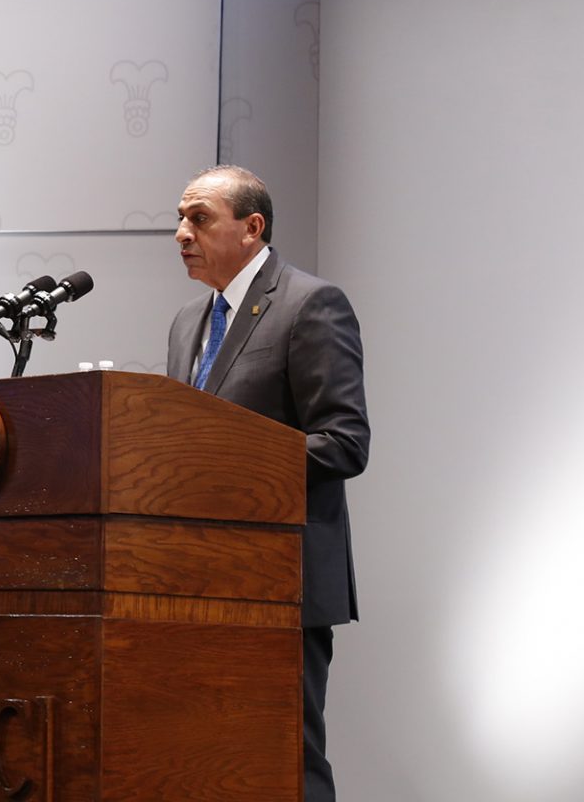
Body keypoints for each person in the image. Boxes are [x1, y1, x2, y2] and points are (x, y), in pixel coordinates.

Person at [165, 166, 369, 802]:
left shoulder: (311, 304)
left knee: (288, 762)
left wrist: (224, 461)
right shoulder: (187, 322)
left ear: (252, 227)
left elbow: (345, 442)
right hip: (198, 580)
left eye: (199, 218)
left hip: (282, 580)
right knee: (213, 761)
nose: (182, 233)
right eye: (180, 219)